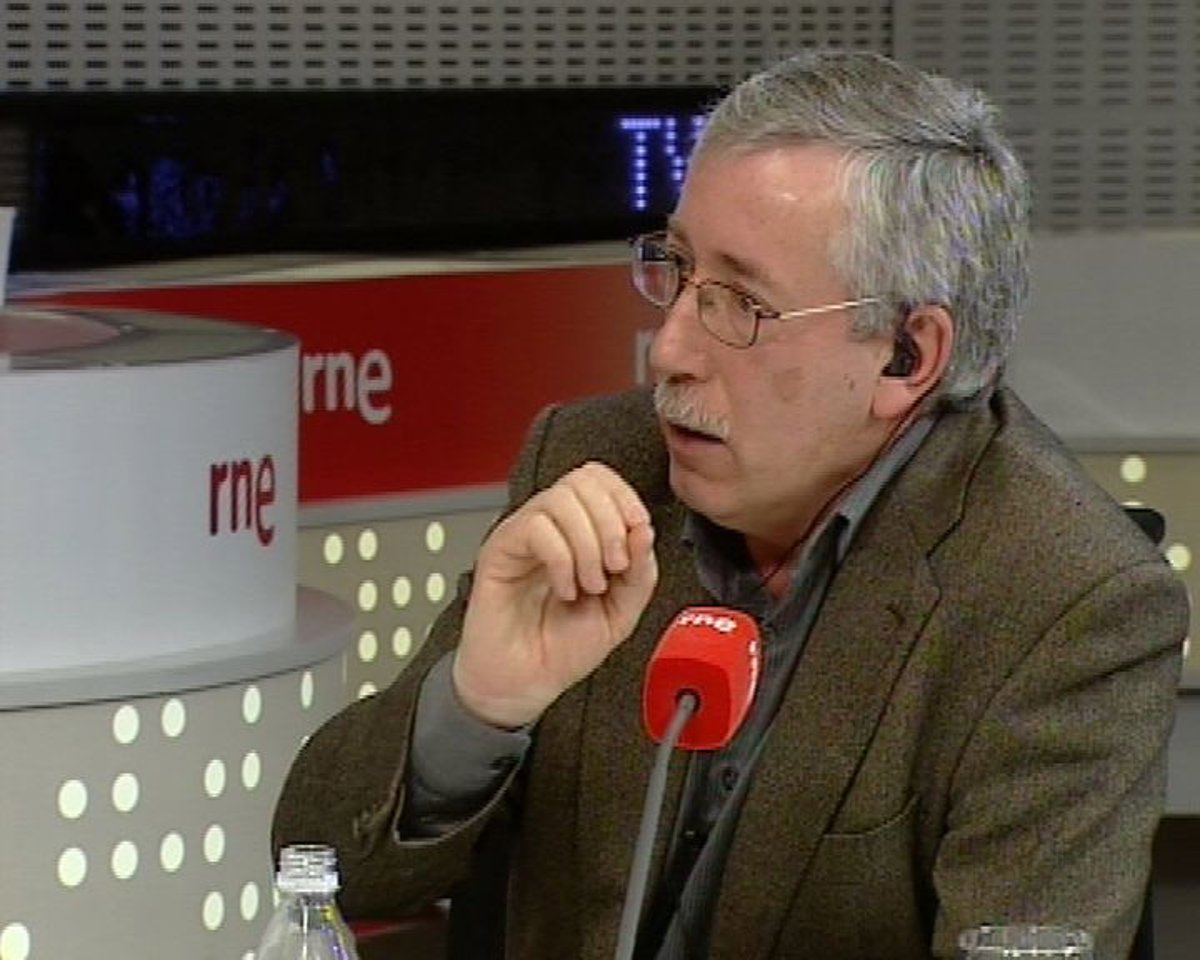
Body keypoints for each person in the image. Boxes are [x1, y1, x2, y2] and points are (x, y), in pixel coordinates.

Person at [272, 48, 1188, 960]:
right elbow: (323, 875)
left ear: (907, 355)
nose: (669, 350)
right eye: (676, 271)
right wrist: (479, 706)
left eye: (743, 304)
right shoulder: (598, 467)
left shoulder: (1065, 601)